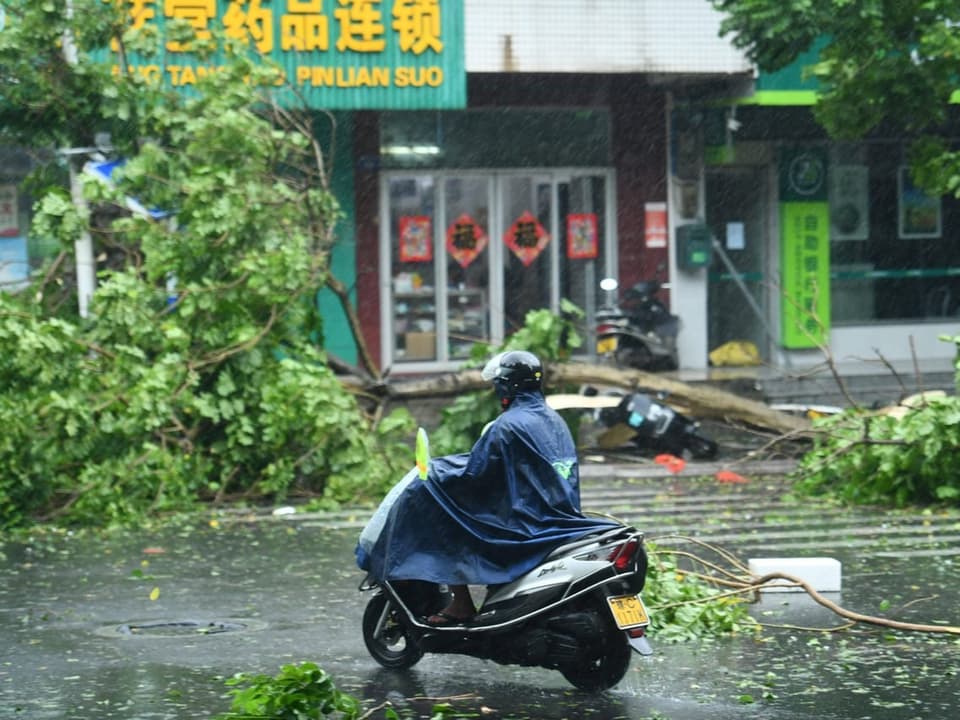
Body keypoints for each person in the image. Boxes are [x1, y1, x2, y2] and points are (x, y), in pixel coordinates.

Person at [355, 350, 620, 625]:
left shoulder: (507, 425)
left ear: (506, 386)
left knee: (448, 521)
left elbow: (474, 474)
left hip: (525, 520)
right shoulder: (554, 420)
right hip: (554, 511)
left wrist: (439, 474)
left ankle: (461, 605)